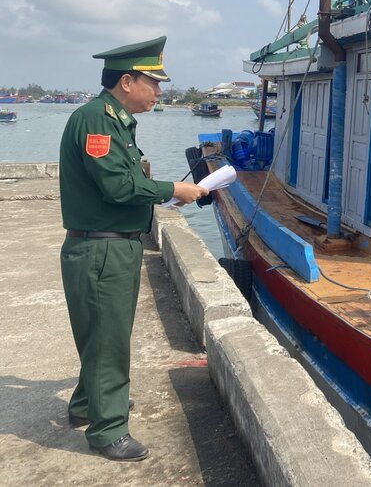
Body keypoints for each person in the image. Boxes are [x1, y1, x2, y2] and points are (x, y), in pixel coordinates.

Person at [59, 36, 208, 461]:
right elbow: (119, 186)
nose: (159, 92)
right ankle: (108, 431)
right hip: (101, 249)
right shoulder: (97, 120)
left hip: (109, 246)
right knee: (108, 340)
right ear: (127, 81)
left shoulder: (115, 121)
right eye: (153, 82)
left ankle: (88, 405)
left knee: (104, 333)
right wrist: (174, 189)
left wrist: (165, 193)